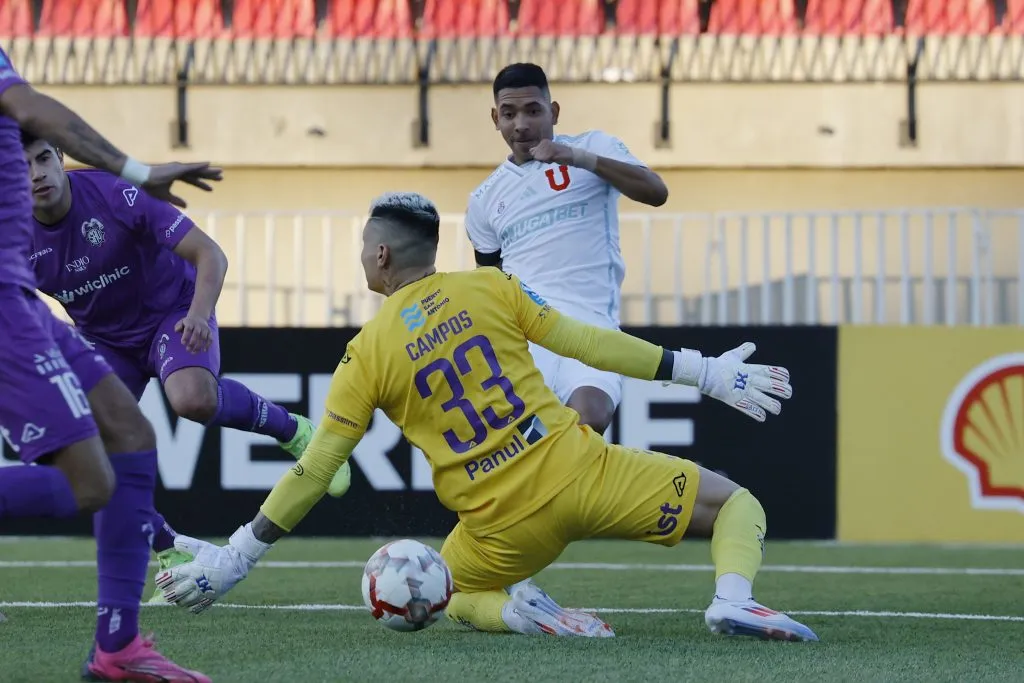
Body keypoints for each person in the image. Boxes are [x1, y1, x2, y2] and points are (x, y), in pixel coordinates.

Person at [153, 192, 818, 643]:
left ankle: (520, 613)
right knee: (737, 506)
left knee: (446, 589)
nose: (361, 256)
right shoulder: (492, 288)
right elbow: (590, 344)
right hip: (584, 473)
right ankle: (733, 598)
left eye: (363, 246)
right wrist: (701, 371)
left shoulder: (366, 353)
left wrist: (237, 557)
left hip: (500, 527)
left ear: (381, 256)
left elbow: (317, 466)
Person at [22, 133, 351, 602]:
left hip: (173, 311)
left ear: (60, 158)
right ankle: (170, 549)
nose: (36, 174)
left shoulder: (115, 193)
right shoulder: (12, 235)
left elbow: (210, 253)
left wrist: (198, 314)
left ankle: (295, 431)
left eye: (42, 159)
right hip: (103, 340)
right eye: (20, 166)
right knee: (83, 453)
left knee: (192, 399)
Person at [0, 48, 214, 679]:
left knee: (130, 437)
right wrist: (138, 168)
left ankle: (117, 649)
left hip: (19, 297)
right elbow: (32, 107)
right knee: (93, 484)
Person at [465, 62, 669, 438]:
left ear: (554, 111)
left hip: (590, 324)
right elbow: (490, 282)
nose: (521, 125)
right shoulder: (483, 198)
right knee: (513, 440)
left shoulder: (593, 147)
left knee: (591, 415)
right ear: (495, 119)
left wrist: (577, 158)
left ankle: (544, 457)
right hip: (528, 333)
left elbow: (656, 192)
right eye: (508, 114)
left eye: (533, 111)